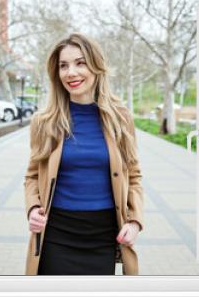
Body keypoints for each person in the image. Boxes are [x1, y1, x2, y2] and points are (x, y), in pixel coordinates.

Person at [23, 32, 144, 275]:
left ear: (96, 66)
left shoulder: (120, 118)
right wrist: (33, 208)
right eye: (63, 66)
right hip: (56, 235)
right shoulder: (44, 121)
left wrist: (134, 222)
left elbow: (134, 175)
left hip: (103, 236)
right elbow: (32, 176)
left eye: (80, 63)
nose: (71, 73)